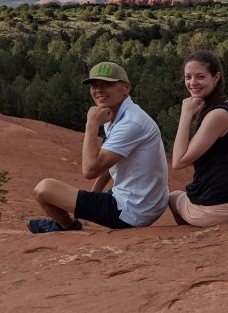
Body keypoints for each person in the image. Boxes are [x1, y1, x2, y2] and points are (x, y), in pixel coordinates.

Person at [29, 61, 169, 233]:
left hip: (133, 211)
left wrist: (91, 125)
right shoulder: (116, 115)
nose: (99, 90)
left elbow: (90, 170)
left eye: (107, 84)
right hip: (140, 202)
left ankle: (68, 227)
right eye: (95, 85)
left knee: (44, 189)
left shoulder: (131, 123)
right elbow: (106, 163)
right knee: (55, 191)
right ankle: (66, 223)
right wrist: (93, 197)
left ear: (126, 87)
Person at [168, 50, 228, 226]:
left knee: (172, 197)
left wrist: (185, 114)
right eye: (188, 77)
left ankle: (193, 239)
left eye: (200, 77)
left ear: (216, 77)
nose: (192, 83)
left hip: (218, 205)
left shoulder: (217, 115)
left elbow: (178, 161)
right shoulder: (223, 105)